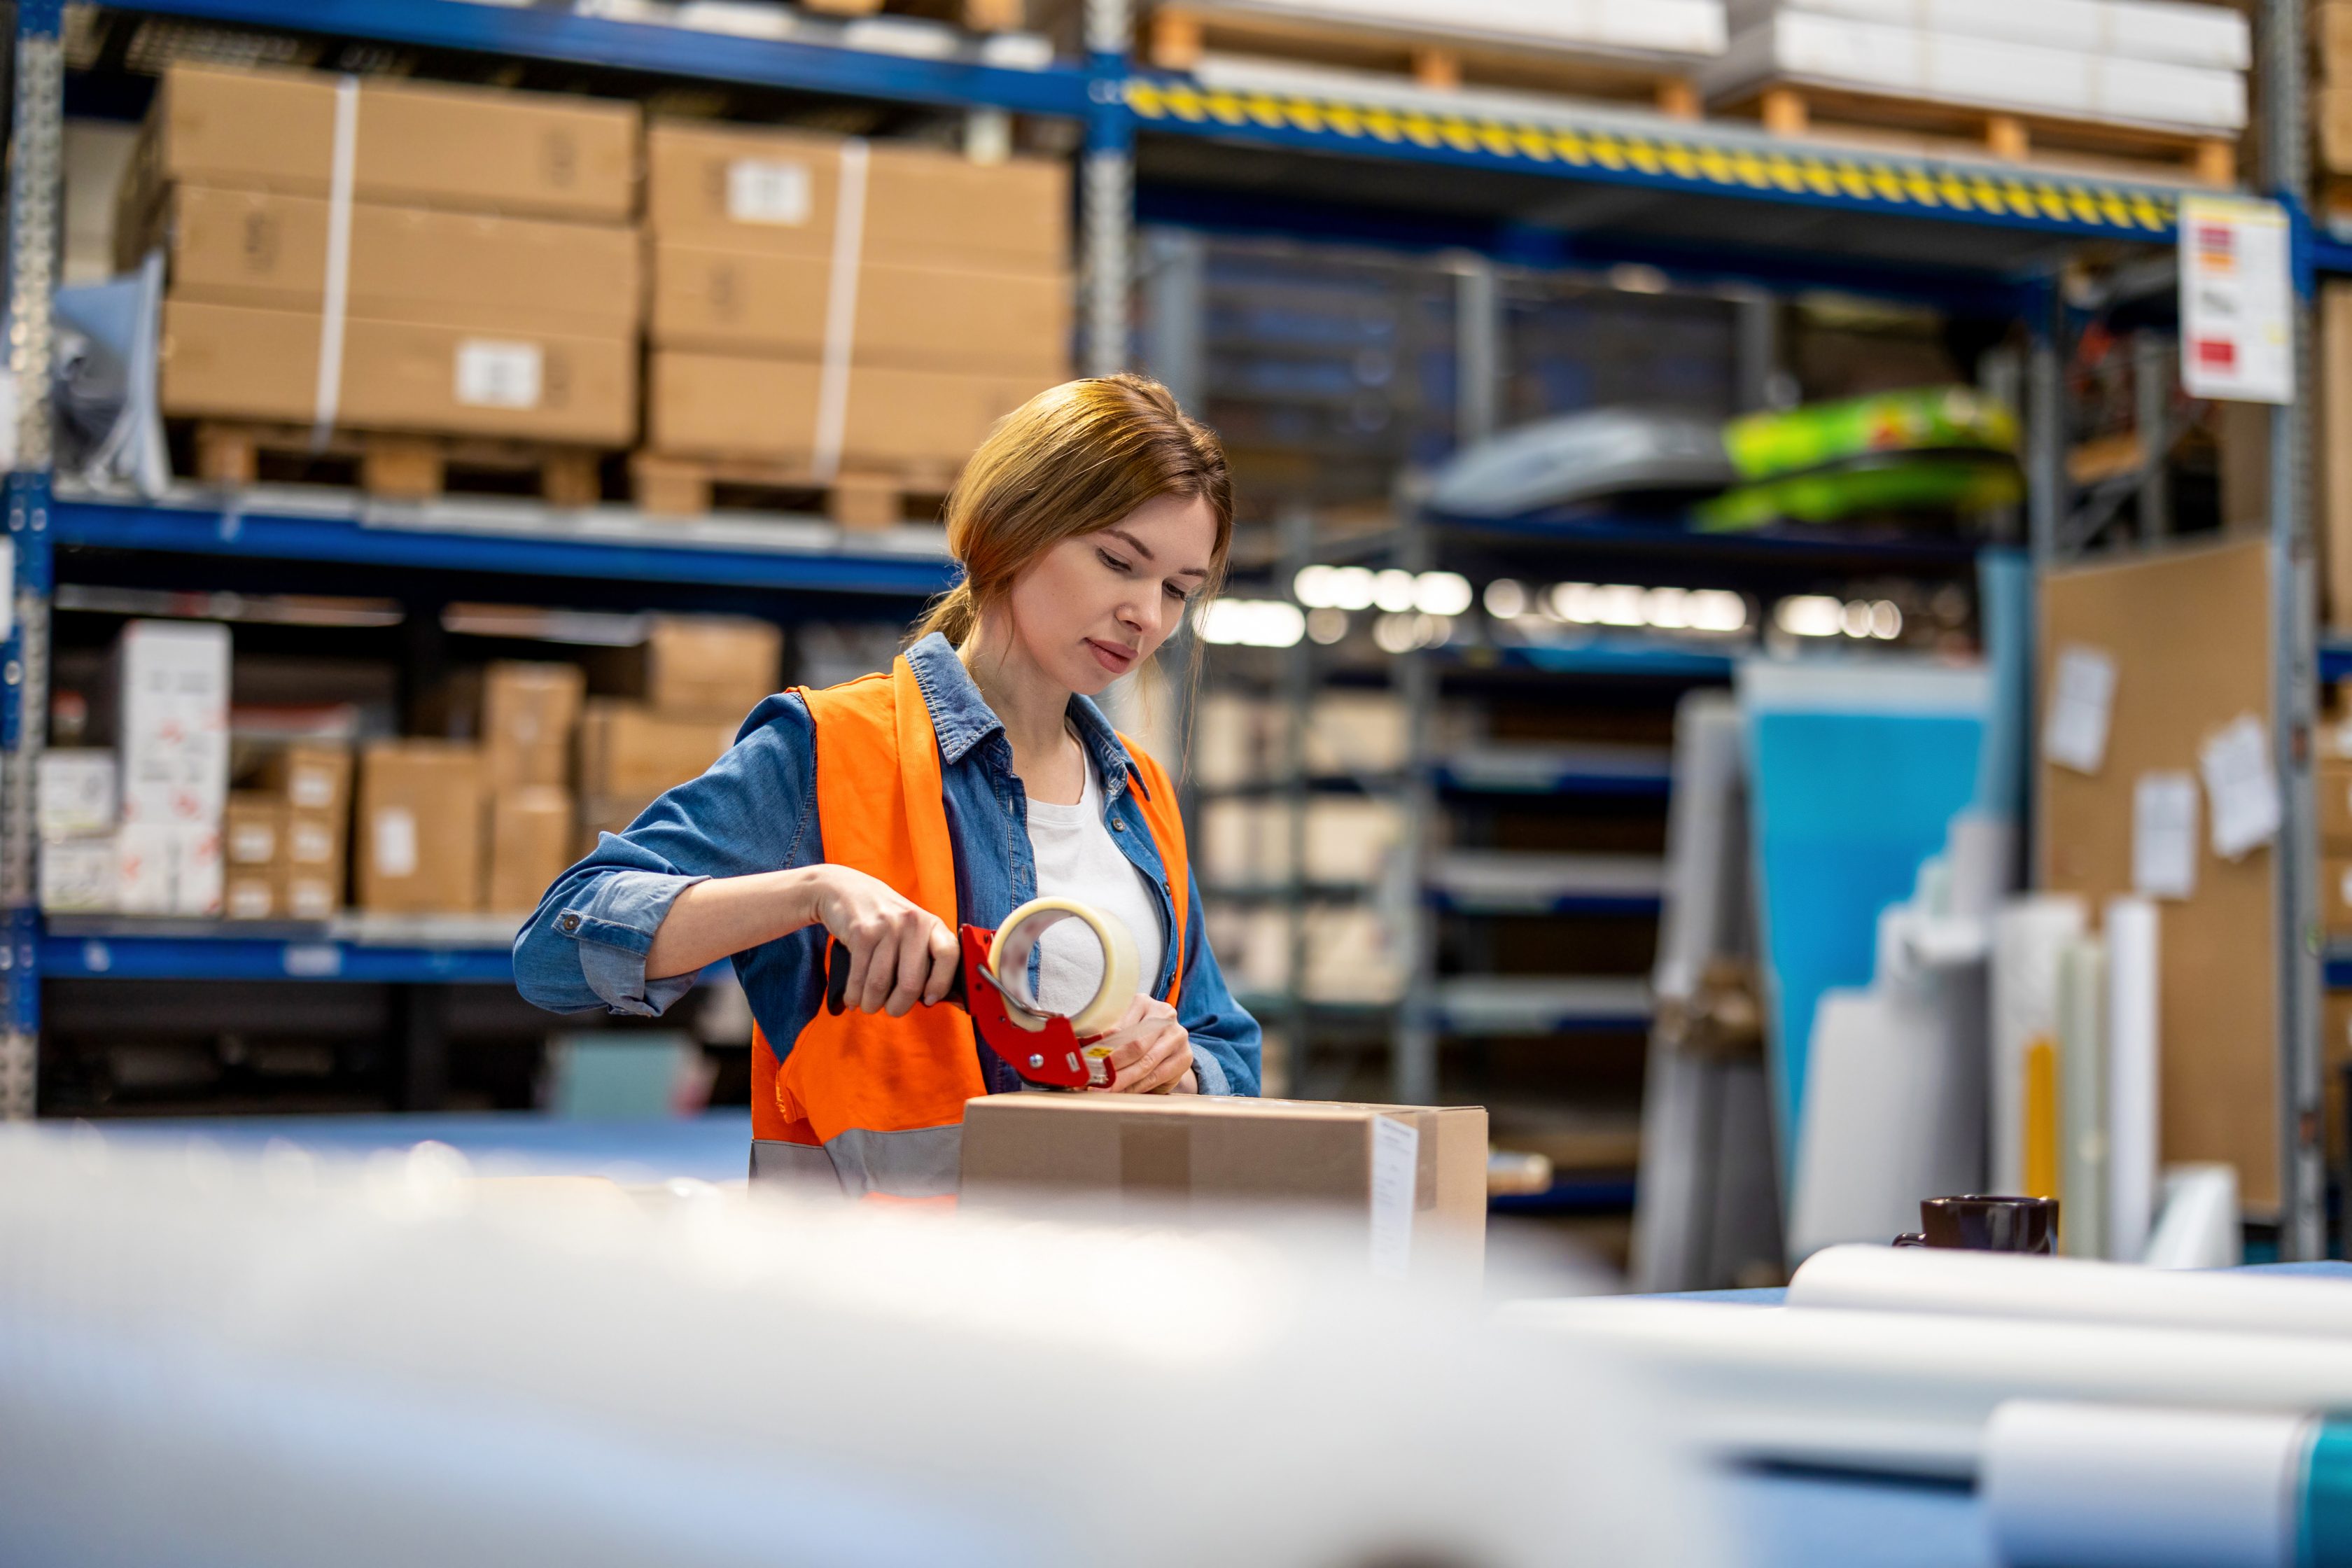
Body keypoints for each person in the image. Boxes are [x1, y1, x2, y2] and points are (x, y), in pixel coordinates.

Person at [514, 374, 1263, 1197]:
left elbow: (1225, 1041)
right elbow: (556, 949)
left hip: (1092, 1262)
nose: (1147, 615)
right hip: (869, 1271)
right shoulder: (829, 747)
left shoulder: (1140, 793)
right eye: (1119, 562)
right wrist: (812, 892)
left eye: (1177, 590)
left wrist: (1180, 1067)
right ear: (1010, 527)